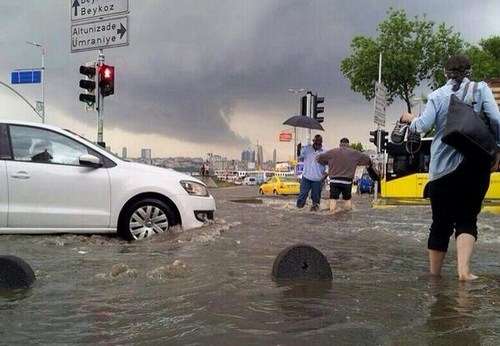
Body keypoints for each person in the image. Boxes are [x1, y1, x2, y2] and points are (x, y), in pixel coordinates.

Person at [400, 55, 500, 281]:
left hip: (441, 170)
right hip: (474, 167)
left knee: (440, 222)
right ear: (469, 72)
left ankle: (434, 276)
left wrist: (409, 119)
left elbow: (423, 126)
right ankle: (464, 272)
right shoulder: (480, 89)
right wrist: (498, 149)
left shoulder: (437, 95)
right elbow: (496, 119)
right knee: (467, 218)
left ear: (446, 74)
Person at [316, 137, 372, 212]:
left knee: (333, 198)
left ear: (340, 144)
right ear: (348, 145)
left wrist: (328, 162)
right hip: (347, 181)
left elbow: (319, 158)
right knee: (347, 198)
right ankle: (347, 215)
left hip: (334, 180)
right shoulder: (355, 153)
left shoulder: (332, 152)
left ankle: (332, 214)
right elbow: (366, 159)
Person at [296, 134, 328, 211]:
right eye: (316, 140)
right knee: (302, 195)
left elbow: (328, 165)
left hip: (318, 179)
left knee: (316, 198)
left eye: (320, 141)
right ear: (313, 141)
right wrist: (298, 149)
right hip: (306, 177)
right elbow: (300, 158)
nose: (318, 142)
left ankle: (315, 214)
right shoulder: (307, 149)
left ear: (322, 142)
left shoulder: (325, 152)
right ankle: (298, 211)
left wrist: (326, 174)